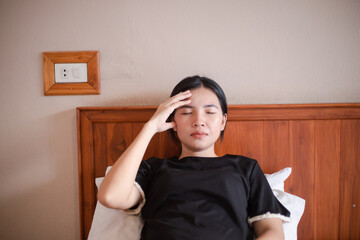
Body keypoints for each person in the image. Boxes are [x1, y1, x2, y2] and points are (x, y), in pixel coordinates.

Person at [98, 76, 290, 240]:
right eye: (187, 112)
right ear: (172, 121)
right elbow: (110, 197)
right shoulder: (154, 168)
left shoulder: (245, 168)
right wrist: (150, 128)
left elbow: (272, 231)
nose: (198, 121)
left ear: (223, 121)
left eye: (210, 112)